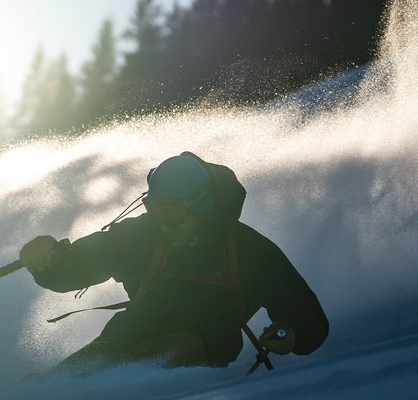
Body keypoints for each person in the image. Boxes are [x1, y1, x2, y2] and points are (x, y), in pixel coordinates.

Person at [19, 152, 329, 375]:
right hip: (126, 336)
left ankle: (87, 399)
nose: (163, 224)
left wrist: (291, 332)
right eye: (154, 210)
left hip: (203, 350)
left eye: (171, 212)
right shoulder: (143, 236)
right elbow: (81, 264)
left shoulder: (249, 251)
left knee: (171, 347)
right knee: (90, 363)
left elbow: (307, 317)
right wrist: (46, 262)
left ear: (201, 204)